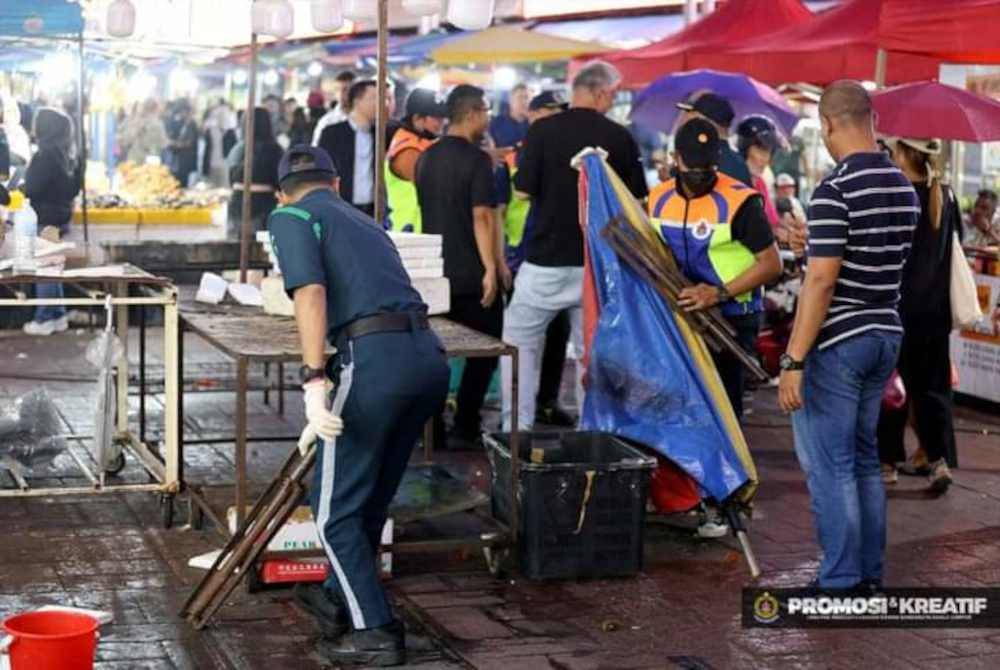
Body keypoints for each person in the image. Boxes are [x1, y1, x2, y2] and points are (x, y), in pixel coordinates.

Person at [268, 145, 448, 666]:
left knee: (332, 516)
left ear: (281, 192)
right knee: (365, 499)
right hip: (427, 360)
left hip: (375, 363)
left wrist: (313, 380)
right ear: (338, 184)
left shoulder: (291, 214)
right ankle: (335, 597)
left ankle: (376, 633)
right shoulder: (364, 221)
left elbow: (310, 294)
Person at [778, 81, 918, 592]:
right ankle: (868, 574)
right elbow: (875, 256)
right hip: (885, 332)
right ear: (872, 120)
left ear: (829, 124)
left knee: (831, 464)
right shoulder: (903, 186)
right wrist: (814, 239)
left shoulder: (835, 189)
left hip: (839, 340)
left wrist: (793, 360)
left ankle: (839, 579)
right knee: (863, 459)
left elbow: (823, 279)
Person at [648, 118, 781, 536]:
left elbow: (771, 264)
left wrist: (717, 293)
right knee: (680, 406)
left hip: (731, 319)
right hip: (679, 316)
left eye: (709, 167)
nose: (701, 176)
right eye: (693, 166)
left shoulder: (741, 201)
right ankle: (683, 495)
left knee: (722, 411)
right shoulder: (657, 200)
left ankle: (726, 501)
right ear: (675, 160)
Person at [500, 60, 648, 432]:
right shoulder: (620, 137)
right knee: (591, 355)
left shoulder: (542, 131)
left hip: (545, 261)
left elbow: (521, 189)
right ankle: (593, 434)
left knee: (519, 346)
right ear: (599, 93)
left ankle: (514, 431)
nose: (614, 102)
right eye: (613, 95)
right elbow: (636, 204)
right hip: (596, 263)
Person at [415, 85, 504, 447]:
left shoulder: (426, 158)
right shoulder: (477, 160)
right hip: (470, 272)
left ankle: (432, 429)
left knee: (435, 355)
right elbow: (481, 216)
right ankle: (467, 424)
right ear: (472, 114)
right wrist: (491, 268)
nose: (487, 119)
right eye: (485, 111)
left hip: (433, 271)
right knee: (484, 351)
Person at [876, 138, 959, 491]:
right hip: (935, 312)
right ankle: (939, 460)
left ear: (906, 154)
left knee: (893, 389)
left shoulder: (895, 193)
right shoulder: (946, 195)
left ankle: (888, 463)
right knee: (933, 389)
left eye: (895, 150)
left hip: (897, 307)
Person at [495, 91, 575, 427]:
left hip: (552, 256)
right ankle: (514, 421)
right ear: (535, 114)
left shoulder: (562, 155)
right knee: (519, 341)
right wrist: (501, 260)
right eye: (552, 112)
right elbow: (498, 211)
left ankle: (546, 401)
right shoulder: (513, 159)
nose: (558, 119)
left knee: (558, 335)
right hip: (520, 257)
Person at [22, 108, 81, 336]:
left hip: (46, 217)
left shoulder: (45, 155)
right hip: (59, 216)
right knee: (52, 266)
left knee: (44, 267)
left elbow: (34, 188)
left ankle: (45, 317)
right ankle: (57, 314)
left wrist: (23, 188)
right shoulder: (63, 154)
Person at [385, 88, 448, 234]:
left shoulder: (425, 142)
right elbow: (436, 185)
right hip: (410, 234)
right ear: (417, 118)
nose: (442, 122)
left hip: (424, 232)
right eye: (436, 117)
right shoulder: (407, 148)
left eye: (443, 117)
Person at [318, 80, 378, 217]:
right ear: (357, 101)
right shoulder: (332, 133)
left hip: (372, 211)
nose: (380, 103)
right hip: (340, 208)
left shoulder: (380, 134)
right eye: (373, 98)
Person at [226, 107, 284, 239]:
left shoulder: (238, 148)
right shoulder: (275, 149)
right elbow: (280, 181)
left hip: (237, 204)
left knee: (235, 249)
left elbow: (231, 178)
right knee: (260, 252)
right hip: (264, 206)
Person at [676, 93, 752, 187]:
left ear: (704, 121)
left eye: (691, 115)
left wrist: (669, 180)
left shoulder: (698, 157)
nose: (684, 119)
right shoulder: (740, 165)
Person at [737, 115, 781, 229]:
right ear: (744, 148)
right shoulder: (734, 183)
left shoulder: (760, 183)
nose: (765, 159)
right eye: (760, 150)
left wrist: (786, 226)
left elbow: (772, 222)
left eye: (769, 152)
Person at [313, 70, 357, 146]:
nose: (340, 94)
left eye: (345, 89)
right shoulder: (327, 121)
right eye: (337, 89)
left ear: (355, 91)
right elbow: (317, 150)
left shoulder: (365, 117)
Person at [122, 99, 169, 165]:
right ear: (155, 109)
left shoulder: (135, 121)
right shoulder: (158, 124)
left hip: (134, 159)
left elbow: (126, 141)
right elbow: (164, 144)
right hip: (151, 161)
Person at [202, 100, 236, 187]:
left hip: (225, 165)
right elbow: (206, 150)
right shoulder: (210, 130)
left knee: (225, 187)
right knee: (211, 189)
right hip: (211, 165)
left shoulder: (230, 132)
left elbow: (233, 150)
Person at [166, 100, 198, 186]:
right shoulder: (179, 122)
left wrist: (176, 144)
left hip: (185, 159)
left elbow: (191, 142)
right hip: (178, 158)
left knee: (183, 181)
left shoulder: (192, 124)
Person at [489, 82, 530, 150]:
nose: (524, 101)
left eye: (526, 97)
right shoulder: (496, 124)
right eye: (520, 97)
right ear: (511, 100)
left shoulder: (534, 124)